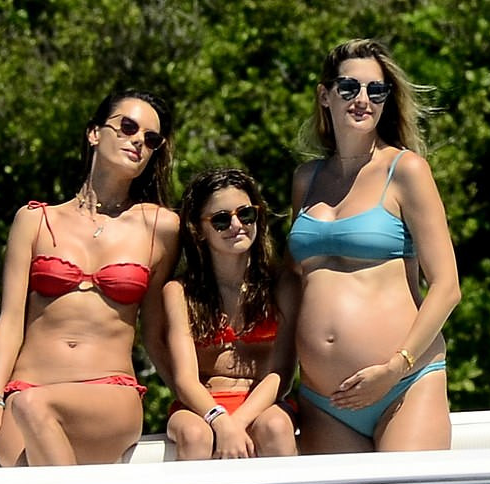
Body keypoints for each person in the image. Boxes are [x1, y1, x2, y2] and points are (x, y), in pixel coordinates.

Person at [0, 89, 180, 465]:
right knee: (30, 411)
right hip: (26, 388)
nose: (138, 141)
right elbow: (10, 321)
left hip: (108, 395)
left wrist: (199, 403)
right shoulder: (35, 220)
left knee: (36, 408)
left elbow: (156, 333)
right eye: (127, 127)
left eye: (151, 139)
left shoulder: (160, 227)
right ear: (94, 133)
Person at [287, 38, 460, 453]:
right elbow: (293, 282)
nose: (362, 100)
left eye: (376, 90)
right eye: (349, 87)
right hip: (324, 399)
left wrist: (396, 366)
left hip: (403, 384)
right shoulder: (305, 179)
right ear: (325, 95)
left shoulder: (406, 170)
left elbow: (447, 287)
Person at [164, 168, 299, 460]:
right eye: (221, 220)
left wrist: (237, 424)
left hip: (262, 404)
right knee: (194, 434)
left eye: (246, 214)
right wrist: (220, 420)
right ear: (199, 229)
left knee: (276, 427)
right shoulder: (180, 291)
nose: (236, 225)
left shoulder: (281, 284)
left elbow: (282, 372)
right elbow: (185, 380)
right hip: (202, 407)